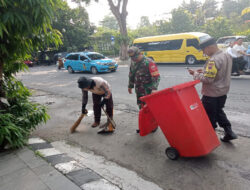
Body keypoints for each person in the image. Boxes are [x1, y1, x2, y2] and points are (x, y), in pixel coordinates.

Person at [188, 37, 237, 142]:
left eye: (204, 50)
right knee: (219, 111)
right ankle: (229, 132)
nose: (203, 53)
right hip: (223, 92)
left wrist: (195, 74)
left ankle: (209, 138)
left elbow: (207, 80)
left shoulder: (213, 60)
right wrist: (205, 70)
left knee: (208, 116)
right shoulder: (226, 55)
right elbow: (220, 72)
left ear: (210, 47)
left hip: (211, 94)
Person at [127, 46, 160, 133]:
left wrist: (154, 88)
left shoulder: (149, 62)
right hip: (139, 90)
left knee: (150, 109)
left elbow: (156, 77)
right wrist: (130, 86)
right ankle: (145, 125)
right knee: (141, 108)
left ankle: (153, 126)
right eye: (132, 58)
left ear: (140, 54)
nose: (134, 59)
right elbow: (131, 74)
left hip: (148, 91)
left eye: (135, 57)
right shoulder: (133, 62)